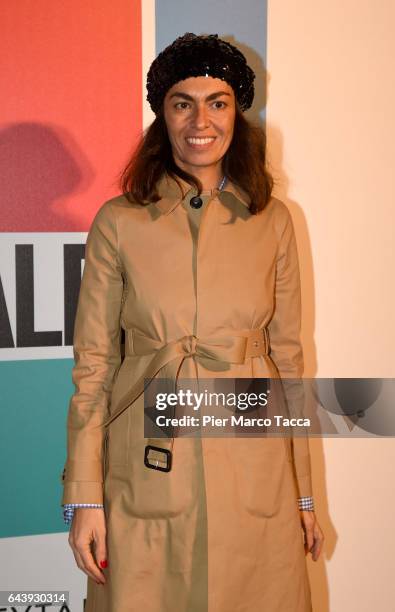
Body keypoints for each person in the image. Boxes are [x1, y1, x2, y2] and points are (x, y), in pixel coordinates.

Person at [61, 32, 324, 612]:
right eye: (183, 102)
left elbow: (290, 364)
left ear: (238, 113)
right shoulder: (119, 222)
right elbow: (94, 368)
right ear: (163, 115)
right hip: (149, 478)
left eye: (218, 101)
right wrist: (83, 498)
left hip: (254, 477)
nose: (200, 119)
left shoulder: (272, 221)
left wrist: (304, 496)